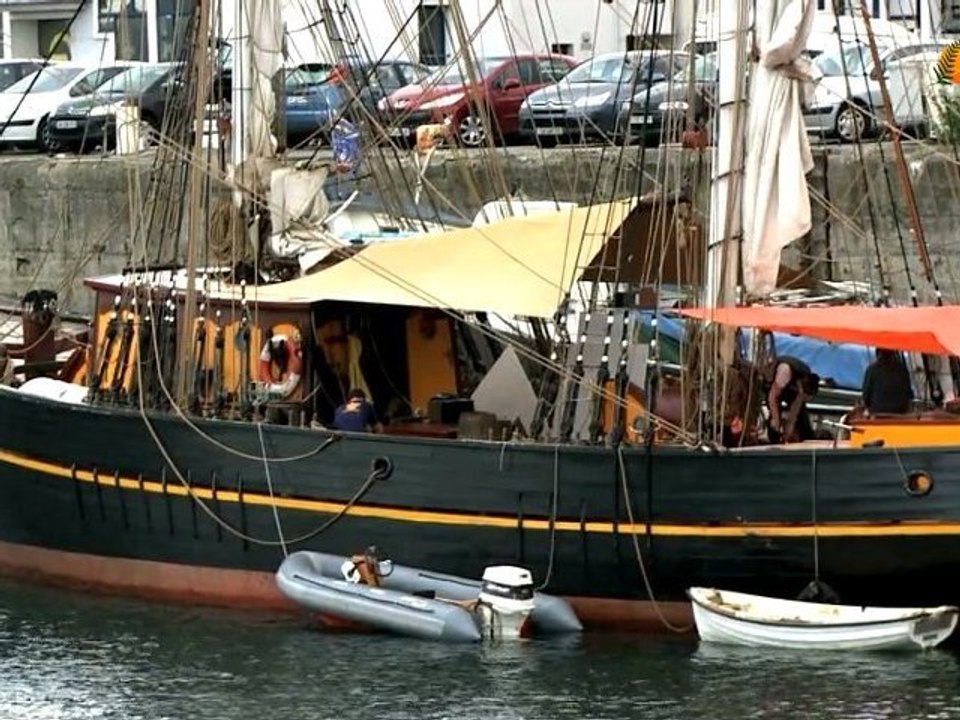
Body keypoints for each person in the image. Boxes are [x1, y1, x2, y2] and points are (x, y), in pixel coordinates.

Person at [765, 356, 820, 443]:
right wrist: (776, 419)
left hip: (791, 388)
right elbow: (772, 397)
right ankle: (774, 439)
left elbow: (793, 414)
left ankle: (805, 439)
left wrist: (787, 432)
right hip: (773, 387)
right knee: (774, 419)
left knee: (802, 417)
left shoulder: (805, 380)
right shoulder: (785, 371)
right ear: (800, 386)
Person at [862, 348, 913, 416]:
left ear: (878, 354)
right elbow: (909, 394)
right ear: (893, 354)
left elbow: (866, 396)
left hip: (878, 413)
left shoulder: (872, 370)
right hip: (900, 413)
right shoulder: (902, 369)